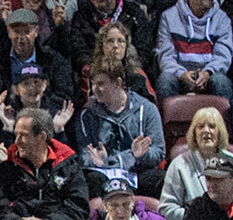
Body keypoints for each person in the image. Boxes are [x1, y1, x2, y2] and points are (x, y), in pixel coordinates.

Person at [70, 60, 164, 198]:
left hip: (137, 172)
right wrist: (97, 162)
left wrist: (141, 155)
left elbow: (159, 151)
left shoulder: (147, 109)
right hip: (103, 174)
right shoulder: (87, 114)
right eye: (93, 84)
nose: (95, 89)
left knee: (162, 178)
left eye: (101, 84)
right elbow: (83, 153)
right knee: (90, 180)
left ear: (118, 83)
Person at [154, 0, 233, 99]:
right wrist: (182, 74)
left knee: (221, 81)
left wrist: (207, 72)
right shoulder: (169, 17)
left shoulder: (222, 19)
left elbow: (223, 55)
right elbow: (166, 56)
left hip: (209, 76)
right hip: (179, 77)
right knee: (165, 79)